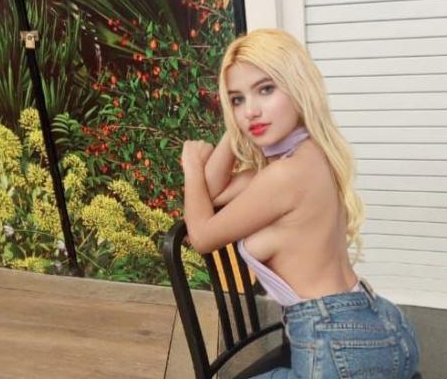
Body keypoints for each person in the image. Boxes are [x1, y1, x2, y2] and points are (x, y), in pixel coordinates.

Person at [180, 28, 421, 378]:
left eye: (266, 89)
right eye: (237, 99)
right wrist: (239, 126)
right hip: (383, 327)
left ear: (297, 86)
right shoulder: (310, 155)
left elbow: (201, 236)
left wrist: (190, 165)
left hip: (339, 349)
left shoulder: (284, 176)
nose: (251, 110)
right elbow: (215, 193)